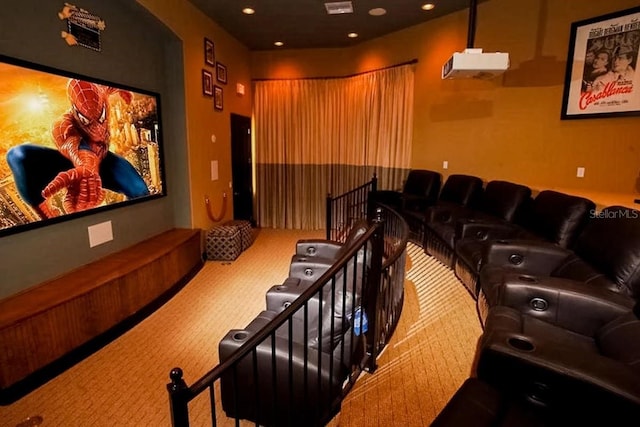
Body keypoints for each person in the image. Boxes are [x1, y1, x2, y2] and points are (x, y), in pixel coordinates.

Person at [6, 79, 150, 219]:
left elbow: (108, 88)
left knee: (140, 191)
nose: (96, 129)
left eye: (101, 118)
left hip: (102, 160)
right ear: (75, 109)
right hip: (72, 164)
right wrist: (86, 165)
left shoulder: (101, 91)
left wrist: (122, 89)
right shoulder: (62, 124)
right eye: (86, 121)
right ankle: (43, 210)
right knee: (18, 155)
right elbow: (73, 143)